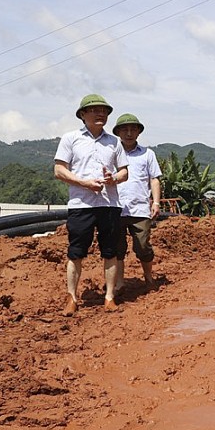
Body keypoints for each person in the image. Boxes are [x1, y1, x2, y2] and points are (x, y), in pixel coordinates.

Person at [54, 94, 129, 316]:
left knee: (110, 251)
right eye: (95, 110)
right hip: (81, 204)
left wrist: (113, 178)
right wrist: (85, 183)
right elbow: (59, 170)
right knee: (76, 252)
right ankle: (72, 297)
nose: (101, 114)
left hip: (110, 204)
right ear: (83, 115)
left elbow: (124, 172)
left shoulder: (114, 142)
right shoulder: (70, 138)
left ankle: (109, 297)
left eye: (104, 111)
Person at [111, 113, 162, 293]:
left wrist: (155, 202)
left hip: (139, 208)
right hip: (115, 207)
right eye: (125, 129)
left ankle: (148, 277)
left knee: (142, 246)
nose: (129, 133)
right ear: (118, 132)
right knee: (117, 248)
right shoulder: (111, 153)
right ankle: (119, 283)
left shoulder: (147, 154)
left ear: (139, 132)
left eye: (133, 129)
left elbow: (154, 179)